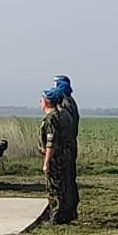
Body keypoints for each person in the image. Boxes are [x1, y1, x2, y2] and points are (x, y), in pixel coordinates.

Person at [39, 87, 76, 225]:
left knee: (54, 187)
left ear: (47, 102)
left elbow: (51, 143)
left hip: (56, 157)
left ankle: (55, 216)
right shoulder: (64, 115)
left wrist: (46, 162)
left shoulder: (51, 119)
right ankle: (66, 214)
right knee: (64, 185)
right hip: (65, 154)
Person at [53, 75, 80, 221]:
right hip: (70, 144)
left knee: (67, 179)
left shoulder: (66, 103)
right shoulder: (70, 102)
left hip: (66, 145)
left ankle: (67, 210)